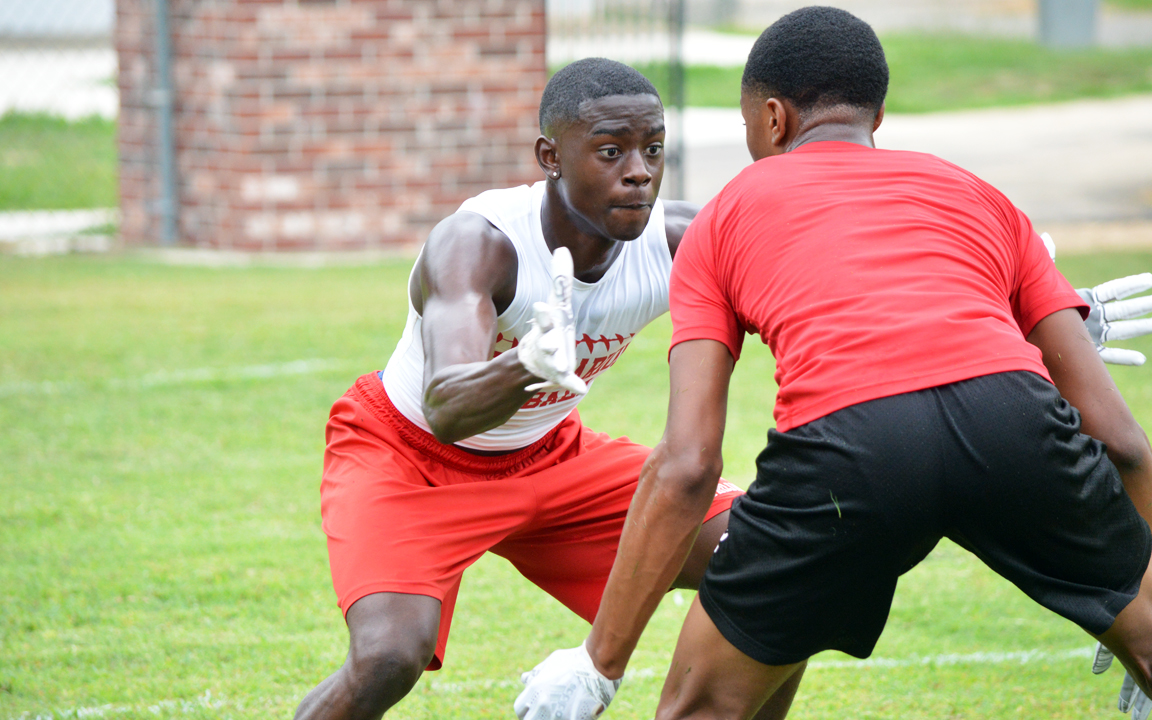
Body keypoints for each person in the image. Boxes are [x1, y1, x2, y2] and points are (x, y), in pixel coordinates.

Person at [513, 8, 1152, 720]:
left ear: (774, 119)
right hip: (1014, 418)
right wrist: (1139, 586)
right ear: (877, 115)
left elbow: (689, 463)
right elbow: (1124, 442)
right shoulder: (982, 194)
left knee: (703, 708)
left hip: (851, 451)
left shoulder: (722, 216)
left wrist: (598, 664)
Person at [293, 58, 763, 720]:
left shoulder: (682, 240)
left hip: (549, 455)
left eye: (653, 149)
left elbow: (799, 266)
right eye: (611, 151)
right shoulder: (479, 242)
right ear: (551, 157)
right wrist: (526, 365)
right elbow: (446, 406)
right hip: (409, 455)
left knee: (764, 556)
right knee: (388, 657)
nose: (639, 171)